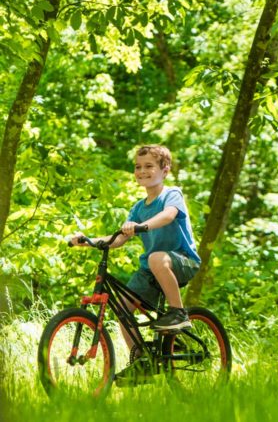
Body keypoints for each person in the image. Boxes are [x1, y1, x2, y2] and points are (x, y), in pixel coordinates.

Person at [70, 145, 201, 379]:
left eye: (149, 166)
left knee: (155, 257)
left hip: (182, 261)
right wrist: (88, 240)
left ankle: (178, 312)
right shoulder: (138, 208)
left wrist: (143, 226)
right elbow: (118, 239)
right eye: (138, 167)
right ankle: (142, 361)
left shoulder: (172, 194)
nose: (142, 171)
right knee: (123, 309)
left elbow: (169, 215)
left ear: (165, 170)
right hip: (152, 269)